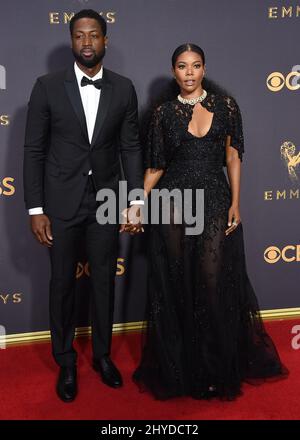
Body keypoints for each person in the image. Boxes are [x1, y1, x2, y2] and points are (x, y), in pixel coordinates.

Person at [133, 43, 288, 400]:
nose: (189, 72)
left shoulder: (227, 107)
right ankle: (180, 371)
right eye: (182, 66)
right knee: (176, 284)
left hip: (216, 199)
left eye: (196, 65)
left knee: (211, 281)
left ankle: (213, 367)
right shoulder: (162, 114)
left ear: (204, 69)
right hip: (172, 202)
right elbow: (155, 168)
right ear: (174, 71)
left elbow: (233, 157)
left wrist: (235, 201)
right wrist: (137, 202)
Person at [23, 9, 144, 402]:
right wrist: (35, 208)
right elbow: (34, 150)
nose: (87, 42)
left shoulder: (124, 89)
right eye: (79, 35)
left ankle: (103, 356)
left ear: (105, 40)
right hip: (60, 201)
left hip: (106, 199)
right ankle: (66, 362)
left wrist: (135, 200)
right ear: (72, 41)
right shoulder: (47, 86)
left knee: (104, 280)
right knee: (62, 284)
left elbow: (130, 146)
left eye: (94, 35)